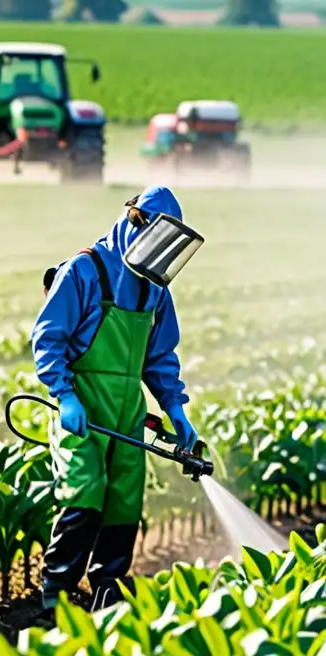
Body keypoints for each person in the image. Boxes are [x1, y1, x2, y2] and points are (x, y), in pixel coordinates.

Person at [32, 185, 202, 612]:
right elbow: (48, 339)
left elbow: (159, 357)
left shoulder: (155, 289)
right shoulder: (86, 271)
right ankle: (57, 589)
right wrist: (64, 395)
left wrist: (176, 410)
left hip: (127, 411)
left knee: (125, 499)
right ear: (135, 224)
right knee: (84, 492)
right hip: (83, 408)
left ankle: (108, 585)